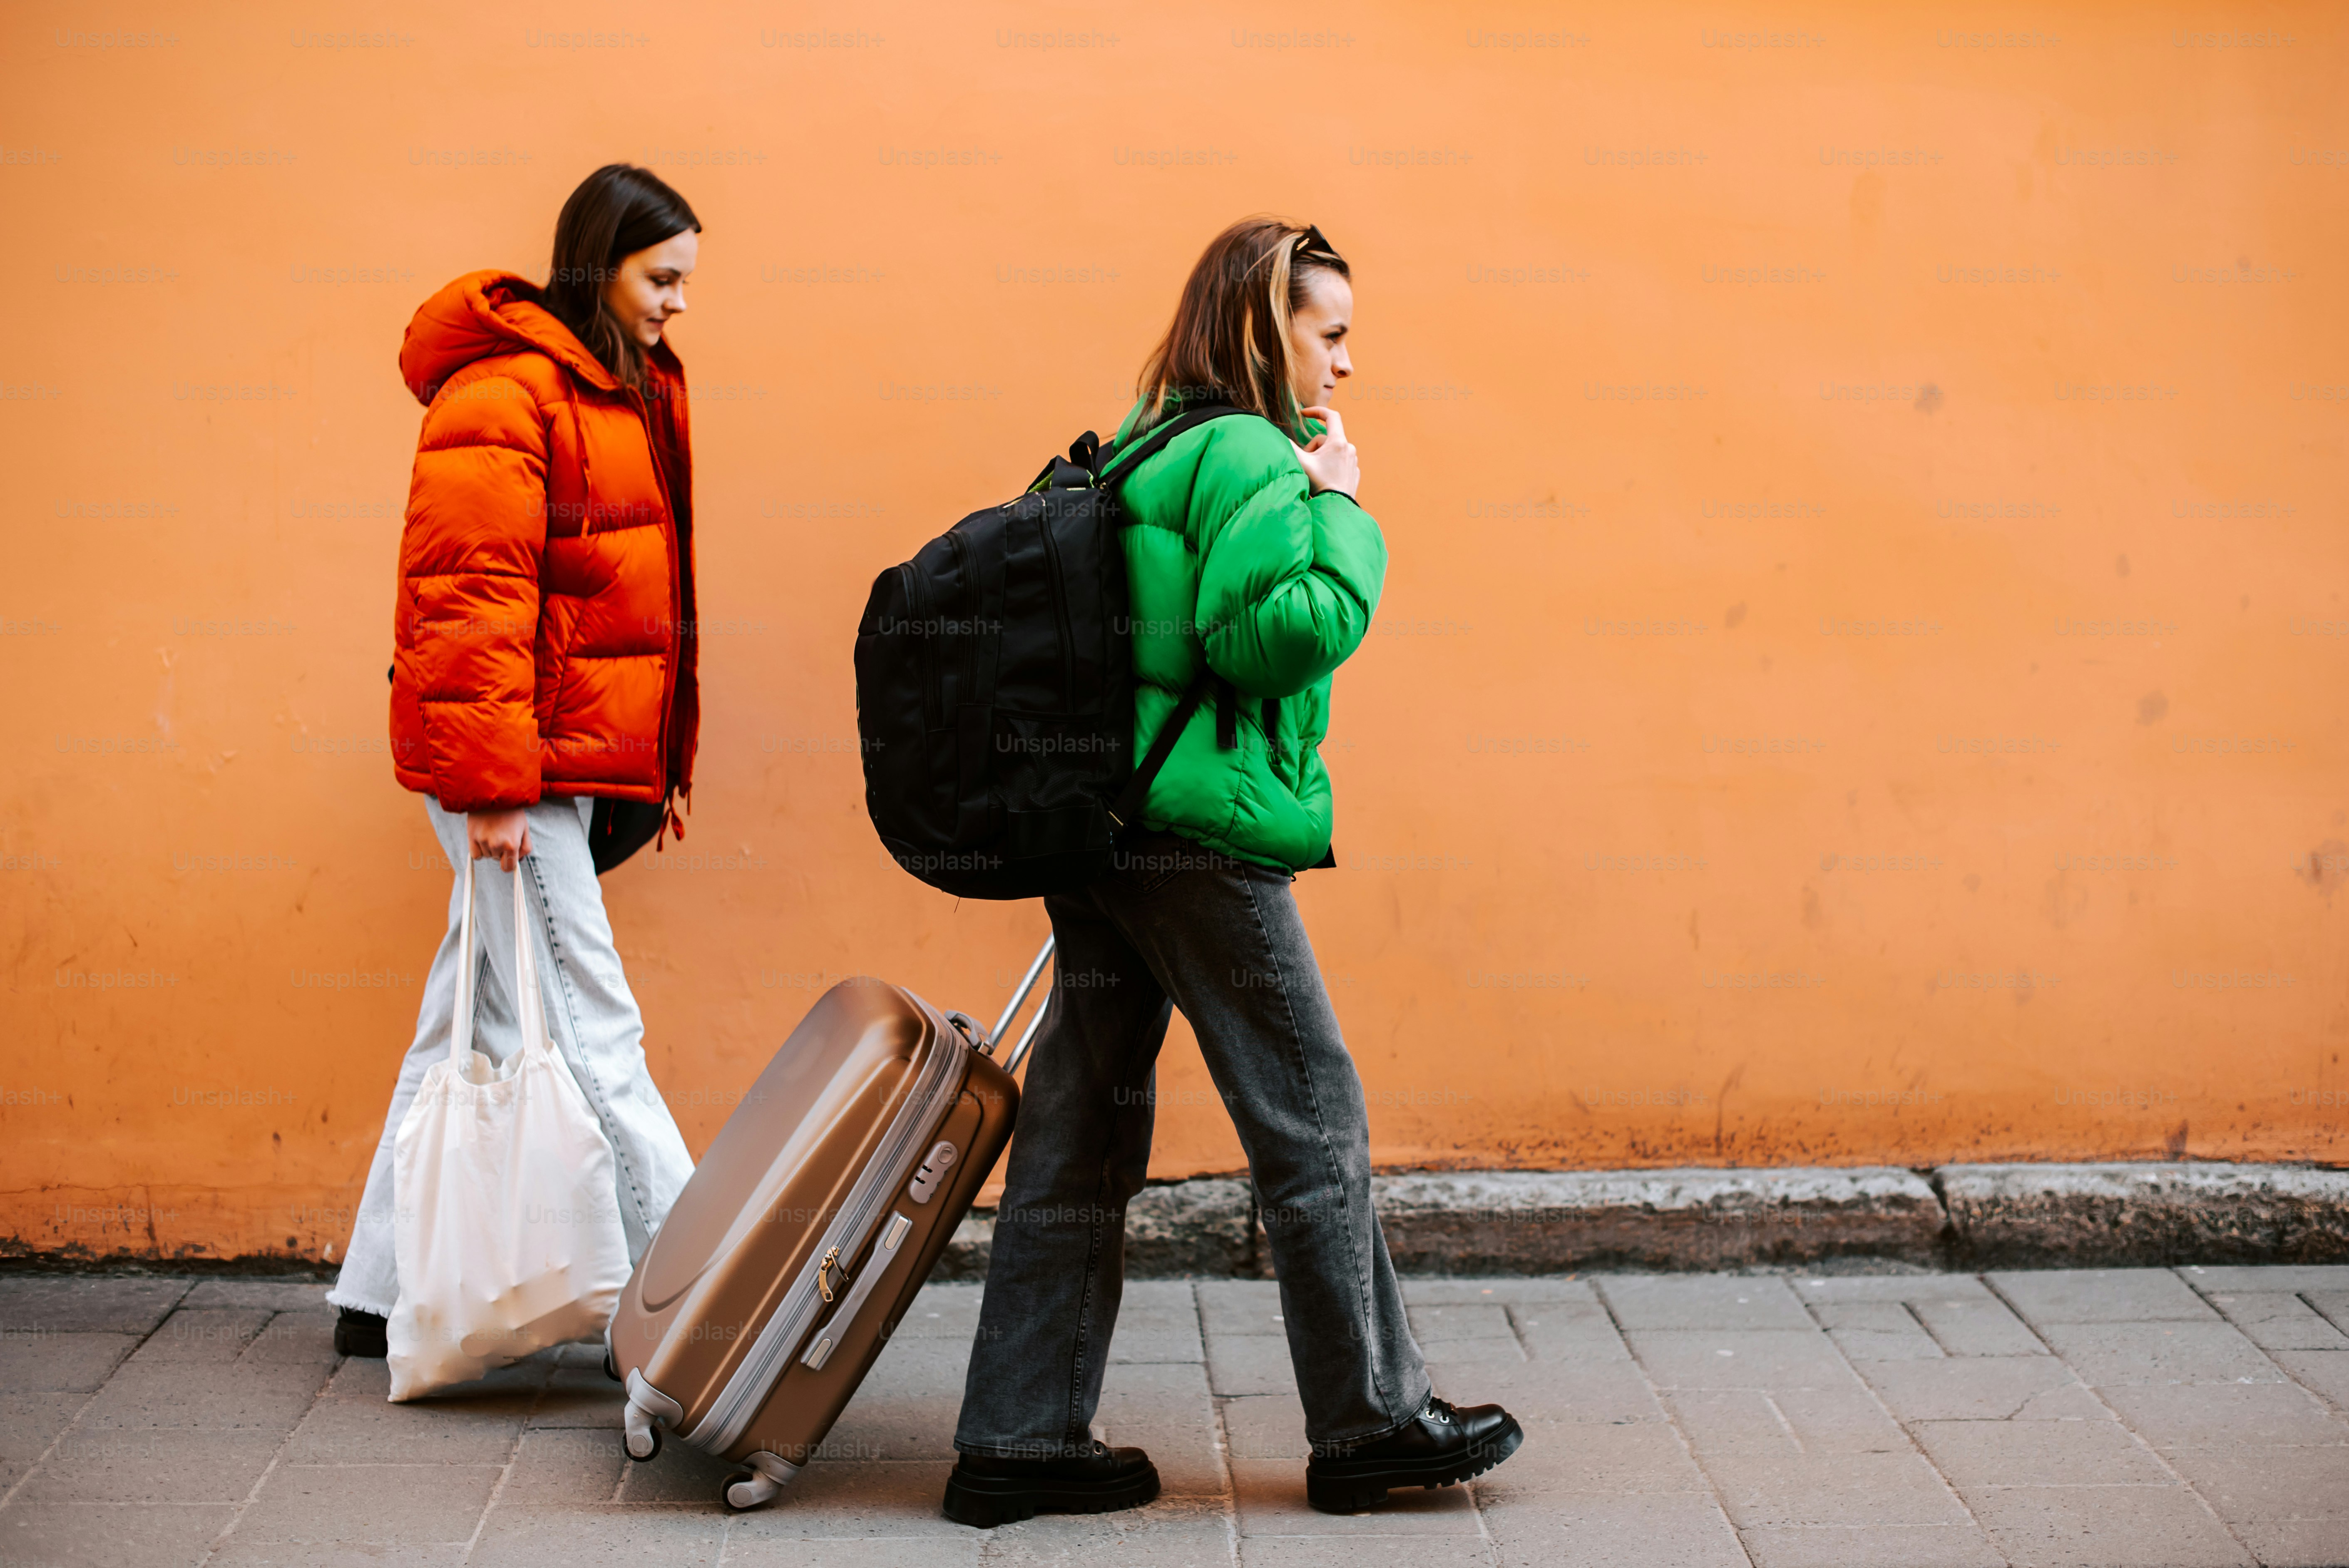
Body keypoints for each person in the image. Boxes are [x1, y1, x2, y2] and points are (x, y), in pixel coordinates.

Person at [943, 217, 1523, 1525]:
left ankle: (1018, 1437)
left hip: (1104, 827)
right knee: (1309, 1113)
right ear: (1268, 332)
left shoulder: (1148, 440)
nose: (1347, 363)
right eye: (1330, 333)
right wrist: (1344, 512)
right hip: (1198, 836)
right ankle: (1370, 1423)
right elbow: (1272, 637)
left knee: (1081, 1123)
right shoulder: (1259, 455)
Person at [328, 165, 704, 1357]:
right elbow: (468, 603)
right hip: (516, 773)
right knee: (595, 1025)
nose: (680, 305)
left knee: (472, 1017)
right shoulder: (506, 393)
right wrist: (493, 788)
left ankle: (376, 1293)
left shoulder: (624, 387)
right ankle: (705, 1298)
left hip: (557, 765)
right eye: (664, 278)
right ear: (603, 268)